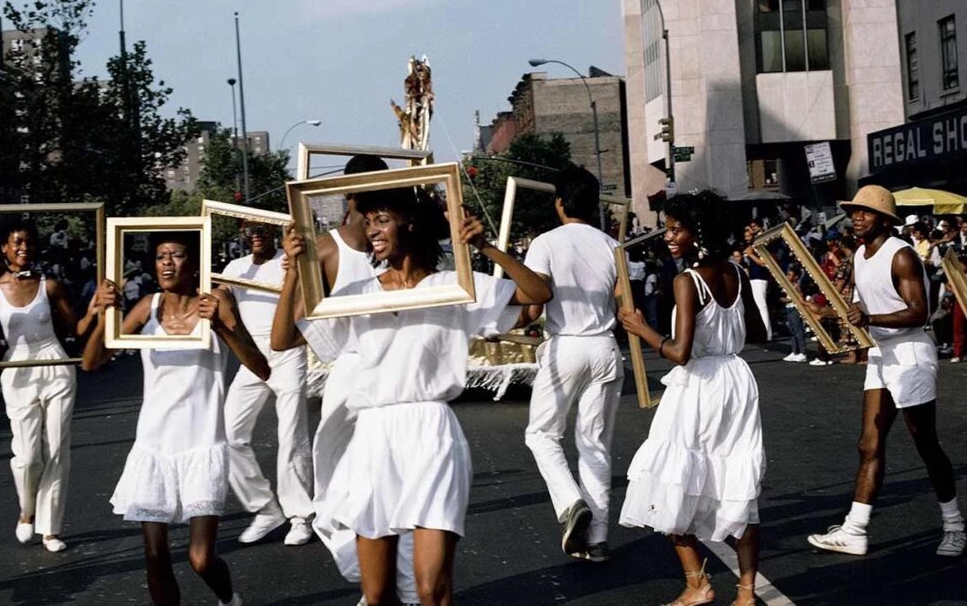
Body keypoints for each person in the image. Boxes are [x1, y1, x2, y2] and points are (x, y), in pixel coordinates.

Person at [271, 187, 551, 606]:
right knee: (378, 593)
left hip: (431, 431)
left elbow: (537, 293)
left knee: (431, 590)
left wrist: (484, 246)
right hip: (374, 435)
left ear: (411, 225)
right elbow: (282, 339)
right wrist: (294, 271)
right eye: (368, 222)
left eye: (381, 219)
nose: (372, 230)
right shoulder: (355, 296)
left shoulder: (452, 285)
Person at [81, 232, 270, 605]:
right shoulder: (147, 308)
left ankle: (229, 600)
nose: (167, 263)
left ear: (194, 261)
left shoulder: (216, 301)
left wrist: (222, 328)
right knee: (155, 557)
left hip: (202, 445)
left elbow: (261, 367)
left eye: (177, 255)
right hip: (154, 447)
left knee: (200, 558)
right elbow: (91, 362)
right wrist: (104, 315)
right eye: (160, 256)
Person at [619, 190, 767, 606]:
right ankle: (746, 593)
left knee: (671, 477)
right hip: (737, 380)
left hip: (699, 384)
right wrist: (725, 334)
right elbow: (758, 332)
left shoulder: (687, 281)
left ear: (697, 233)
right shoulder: (737, 273)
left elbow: (679, 352)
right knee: (737, 482)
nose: (668, 237)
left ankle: (697, 583)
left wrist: (640, 327)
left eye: (675, 229)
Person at [807, 185, 964, 558]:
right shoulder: (862, 254)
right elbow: (866, 302)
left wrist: (870, 317)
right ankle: (855, 530)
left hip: (911, 352)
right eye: (854, 211)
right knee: (869, 443)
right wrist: (834, 314)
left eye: (865, 212)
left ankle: (955, 526)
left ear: (885, 219)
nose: (857, 217)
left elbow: (919, 311)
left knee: (925, 443)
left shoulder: (902, 255)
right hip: (881, 354)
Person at [307, 155, 420, 604]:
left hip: (401, 383)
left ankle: (405, 589)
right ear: (350, 195)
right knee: (347, 494)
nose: (373, 221)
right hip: (354, 385)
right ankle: (379, 585)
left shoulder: (406, 243)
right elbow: (300, 328)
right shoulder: (327, 247)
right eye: (363, 196)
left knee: (405, 491)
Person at [517, 168, 623, 563]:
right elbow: (622, 303)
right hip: (605, 346)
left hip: (566, 347)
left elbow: (532, 305)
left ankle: (569, 502)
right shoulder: (613, 245)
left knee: (542, 434)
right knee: (595, 445)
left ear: (559, 203)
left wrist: (501, 323)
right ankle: (597, 538)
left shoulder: (545, 243)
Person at [0, 218, 83, 552]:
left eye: (28, 242)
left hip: (55, 363)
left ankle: (51, 529)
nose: (23, 248)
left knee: (57, 448)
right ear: (4, 248)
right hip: (17, 368)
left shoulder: (51, 285)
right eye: (16, 242)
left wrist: (102, 306)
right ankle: (27, 510)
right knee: (28, 455)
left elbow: (79, 327)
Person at [221, 221, 314, 546]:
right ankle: (264, 508)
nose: (255, 235)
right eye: (248, 230)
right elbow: (219, 299)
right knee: (229, 435)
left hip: (287, 353)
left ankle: (300, 516)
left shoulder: (287, 262)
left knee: (291, 436)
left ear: (273, 232)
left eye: (261, 229)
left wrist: (297, 269)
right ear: (242, 235)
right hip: (252, 358)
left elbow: (312, 298)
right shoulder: (235, 268)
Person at [742, 222, 773, 342]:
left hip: (760, 277)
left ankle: (767, 333)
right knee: (755, 306)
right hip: (752, 278)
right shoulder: (750, 246)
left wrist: (751, 255)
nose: (747, 237)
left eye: (749, 234)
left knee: (762, 306)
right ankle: (760, 332)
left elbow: (763, 262)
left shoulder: (759, 245)